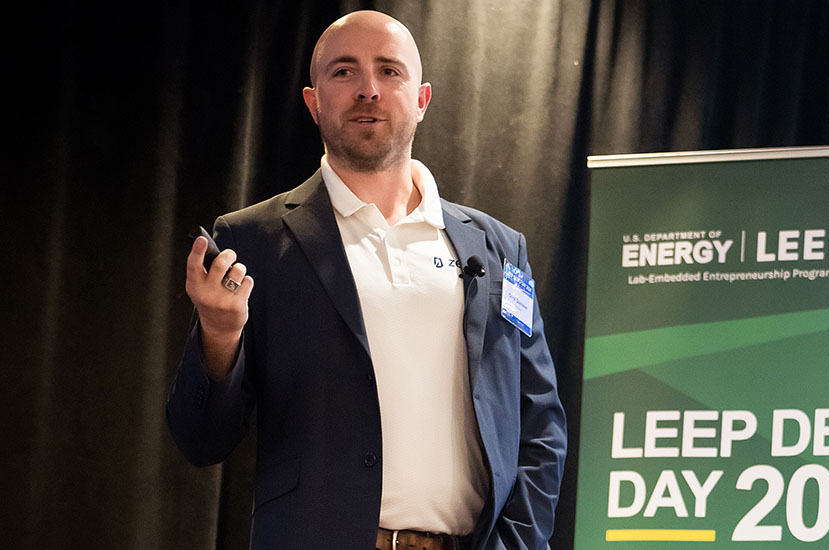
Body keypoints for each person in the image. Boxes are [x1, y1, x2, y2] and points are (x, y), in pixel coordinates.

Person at [166, 10, 566, 550]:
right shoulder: (254, 241)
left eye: (389, 71)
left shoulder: (498, 249)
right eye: (344, 72)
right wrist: (218, 337)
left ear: (421, 100)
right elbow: (201, 440)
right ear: (313, 102)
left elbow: (539, 427)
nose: (368, 90)